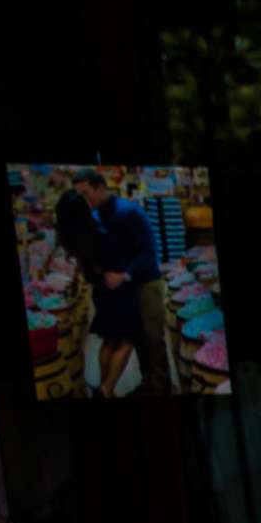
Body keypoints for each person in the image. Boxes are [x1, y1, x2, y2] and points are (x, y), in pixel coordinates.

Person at [75, 170, 172, 396]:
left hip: (146, 282)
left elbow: (149, 252)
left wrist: (124, 274)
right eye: (79, 196)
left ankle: (161, 387)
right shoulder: (95, 217)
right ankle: (148, 382)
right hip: (120, 290)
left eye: (86, 193)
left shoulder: (130, 212)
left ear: (101, 187)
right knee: (136, 338)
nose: (84, 200)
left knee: (152, 338)